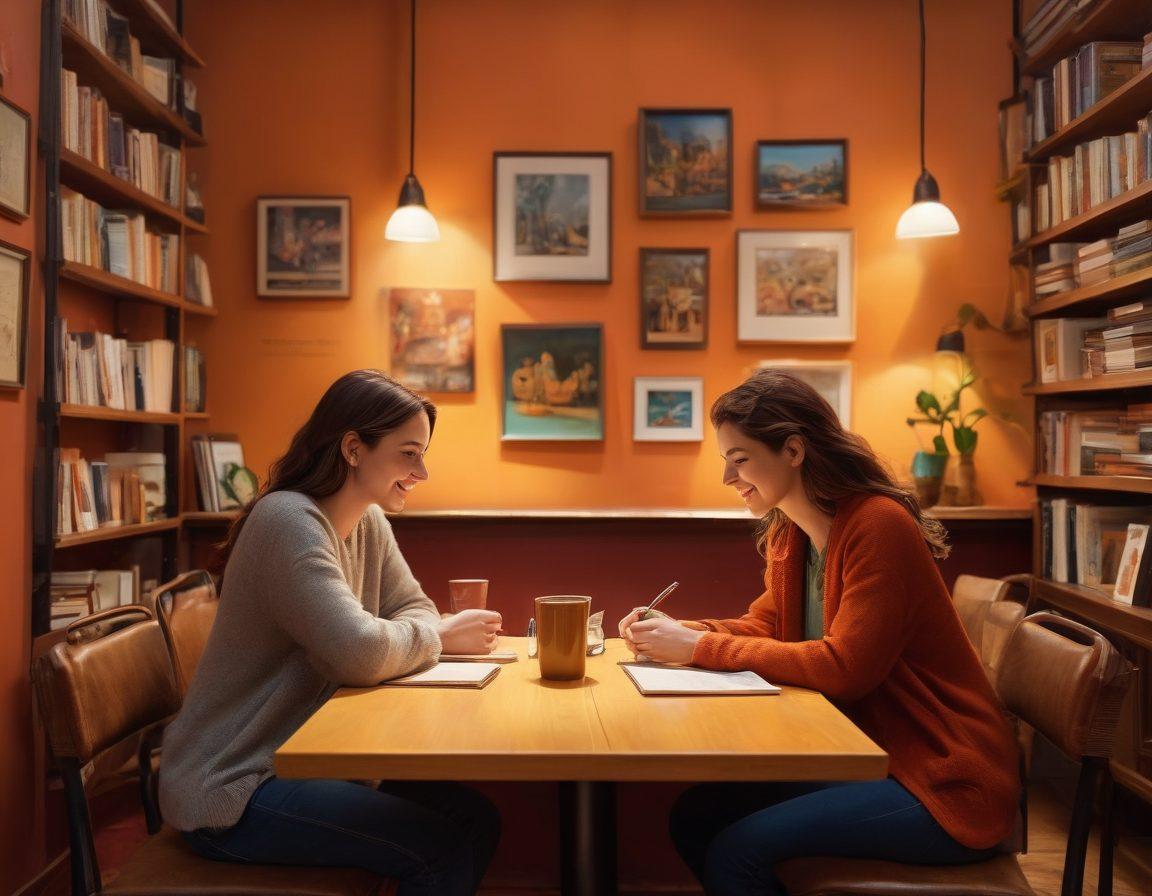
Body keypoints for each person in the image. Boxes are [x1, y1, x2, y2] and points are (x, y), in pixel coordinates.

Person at [618, 370, 1020, 896]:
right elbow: (767, 625)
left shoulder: (878, 525)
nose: (728, 478)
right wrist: (678, 628)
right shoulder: (792, 532)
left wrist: (700, 646)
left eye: (739, 460)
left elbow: (846, 668)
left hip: (940, 781)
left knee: (737, 851)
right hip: (877, 755)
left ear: (793, 450)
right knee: (696, 813)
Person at [159, 370, 502, 896]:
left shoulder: (368, 522)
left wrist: (421, 630)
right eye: (409, 454)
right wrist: (435, 635)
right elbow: (359, 652)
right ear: (353, 449)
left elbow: (414, 608)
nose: (423, 472)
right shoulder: (287, 521)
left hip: (305, 767)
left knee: (476, 817)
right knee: (442, 844)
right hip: (235, 787)